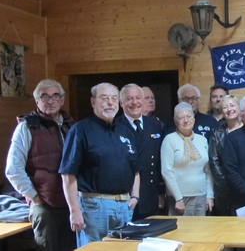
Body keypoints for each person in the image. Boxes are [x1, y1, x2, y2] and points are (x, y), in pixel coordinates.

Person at [59, 83, 140, 247]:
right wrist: (74, 211)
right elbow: (68, 174)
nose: (110, 102)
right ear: (93, 102)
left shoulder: (125, 130)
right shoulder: (80, 130)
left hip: (125, 206)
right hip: (94, 207)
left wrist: (135, 197)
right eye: (104, 98)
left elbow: (135, 169)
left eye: (114, 98)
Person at [5, 79, 76, 251]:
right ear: (37, 101)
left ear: (62, 99)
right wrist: (34, 197)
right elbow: (13, 169)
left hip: (71, 204)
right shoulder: (26, 127)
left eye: (55, 96)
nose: (50, 101)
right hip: (45, 206)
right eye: (44, 96)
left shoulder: (70, 125)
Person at [116, 83, 165, 220]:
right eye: (129, 99)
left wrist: (161, 192)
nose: (134, 102)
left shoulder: (154, 124)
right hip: (126, 195)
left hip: (150, 193)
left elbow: (159, 161)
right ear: (121, 103)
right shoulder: (115, 126)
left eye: (138, 98)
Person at [161, 102, 214, 216]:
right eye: (181, 117)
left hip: (201, 195)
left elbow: (208, 170)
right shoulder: (169, 140)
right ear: (176, 121)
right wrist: (178, 198)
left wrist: (210, 195)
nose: (185, 120)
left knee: (201, 231)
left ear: (194, 119)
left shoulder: (202, 140)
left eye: (189, 116)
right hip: (179, 199)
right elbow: (166, 171)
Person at [209, 95, 243, 216]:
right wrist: (227, 182)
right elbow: (214, 161)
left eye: (232, 105)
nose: (229, 109)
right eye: (225, 107)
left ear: (239, 108)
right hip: (225, 188)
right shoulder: (217, 133)